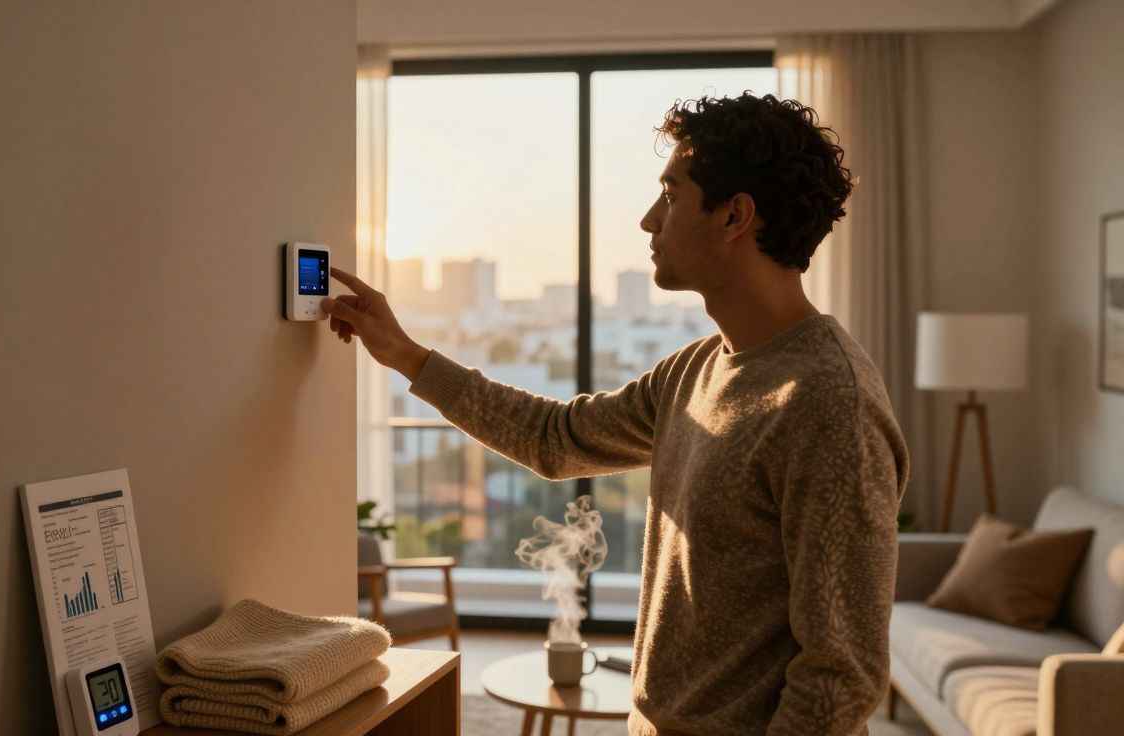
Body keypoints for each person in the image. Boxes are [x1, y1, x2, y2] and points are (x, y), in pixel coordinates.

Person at [323, 92, 909, 736]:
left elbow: (839, 676)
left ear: (735, 215)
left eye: (672, 194)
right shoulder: (695, 369)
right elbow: (556, 438)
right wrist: (404, 354)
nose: (648, 220)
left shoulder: (829, 404)